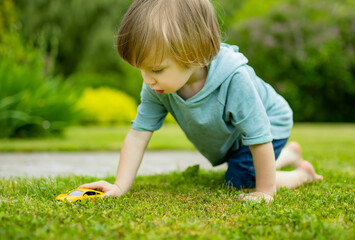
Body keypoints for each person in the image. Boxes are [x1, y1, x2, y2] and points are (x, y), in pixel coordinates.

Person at [79, 0, 323, 203]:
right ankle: (289, 155)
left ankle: (302, 175)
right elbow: (138, 135)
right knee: (244, 167)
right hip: (235, 136)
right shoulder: (157, 86)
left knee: (240, 181)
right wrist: (120, 186)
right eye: (140, 70)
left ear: (194, 54)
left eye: (156, 69)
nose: (147, 80)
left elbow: (259, 135)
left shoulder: (234, 78)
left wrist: (265, 191)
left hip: (269, 125)